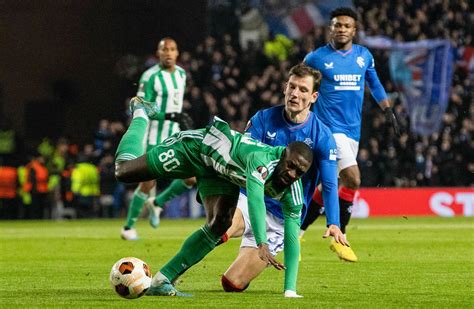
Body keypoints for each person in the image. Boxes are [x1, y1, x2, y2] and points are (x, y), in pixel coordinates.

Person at [115, 97, 314, 297]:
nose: (292, 174)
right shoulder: (261, 160)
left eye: (299, 172)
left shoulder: (293, 192)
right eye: (290, 166)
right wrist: (262, 242)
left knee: (220, 224)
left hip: (220, 174)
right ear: (282, 156)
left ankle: (162, 280)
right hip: (196, 150)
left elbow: (291, 238)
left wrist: (290, 290)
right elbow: (255, 201)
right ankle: (141, 112)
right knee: (123, 172)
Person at [219, 63, 349, 293]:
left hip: (281, 219)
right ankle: (169, 275)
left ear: (314, 97)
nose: (295, 94)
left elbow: (329, 183)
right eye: (292, 87)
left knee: (232, 284)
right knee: (221, 227)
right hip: (250, 198)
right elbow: (241, 156)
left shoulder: (322, 135)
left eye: (302, 90)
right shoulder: (263, 120)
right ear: (285, 88)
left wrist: (334, 223)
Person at [302, 7, 400, 262]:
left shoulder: (363, 56)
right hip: (329, 129)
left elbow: (375, 83)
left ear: (354, 30)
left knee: (326, 187)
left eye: (347, 26)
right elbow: (300, 84)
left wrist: (387, 109)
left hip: (352, 131)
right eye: (338, 25)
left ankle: (297, 231)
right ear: (330, 28)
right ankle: (340, 236)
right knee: (353, 179)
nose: (342, 29)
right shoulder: (316, 58)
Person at [121, 37, 196, 240]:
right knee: (147, 183)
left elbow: (175, 103)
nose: (168, 53)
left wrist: (177, 118)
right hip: (152, 136)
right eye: (165, 50)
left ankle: (157, 202)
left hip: (173, 136)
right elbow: (141, 105)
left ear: (177, 53)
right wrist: (170, 115)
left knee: (191, 178)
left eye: (172, 49)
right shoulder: (150, 76)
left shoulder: (181, 74)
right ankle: (128, 227)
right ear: (158, 53)